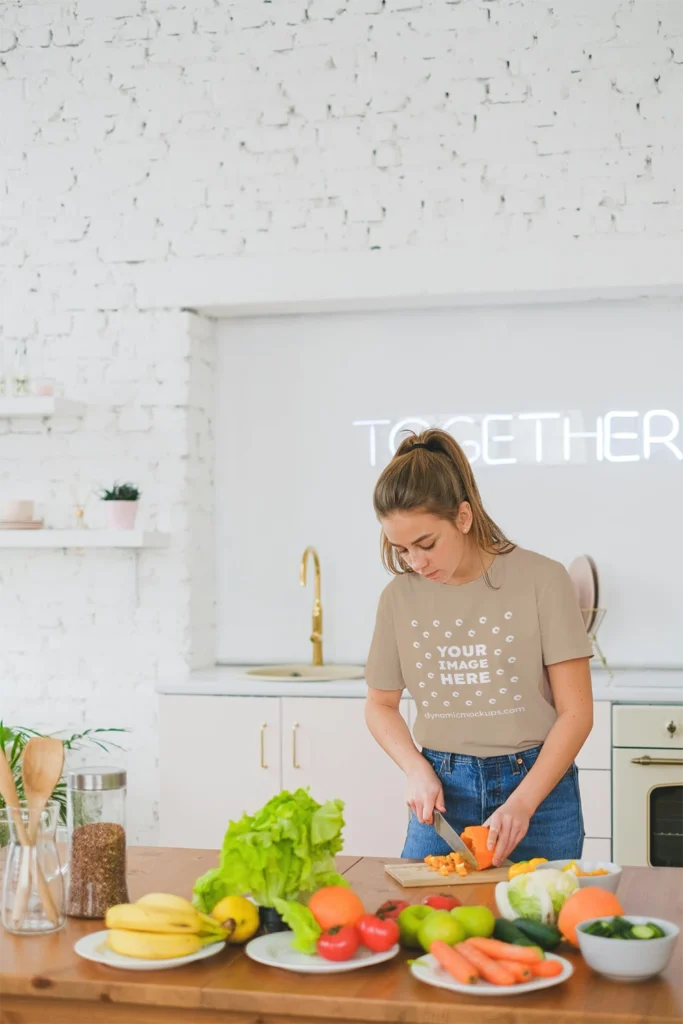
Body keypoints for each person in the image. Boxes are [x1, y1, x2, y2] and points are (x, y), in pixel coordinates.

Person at [364, 428, 593, 867]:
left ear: (463, 517)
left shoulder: (543, 580)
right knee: (427, 926)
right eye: (402, 549)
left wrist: (523, 803)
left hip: (539, 790)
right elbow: (380, 705)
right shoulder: (398, 598)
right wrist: (415, 768)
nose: (415, 562)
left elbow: (577, 712)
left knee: (539, 926)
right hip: (443, 792)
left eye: (426, 544)